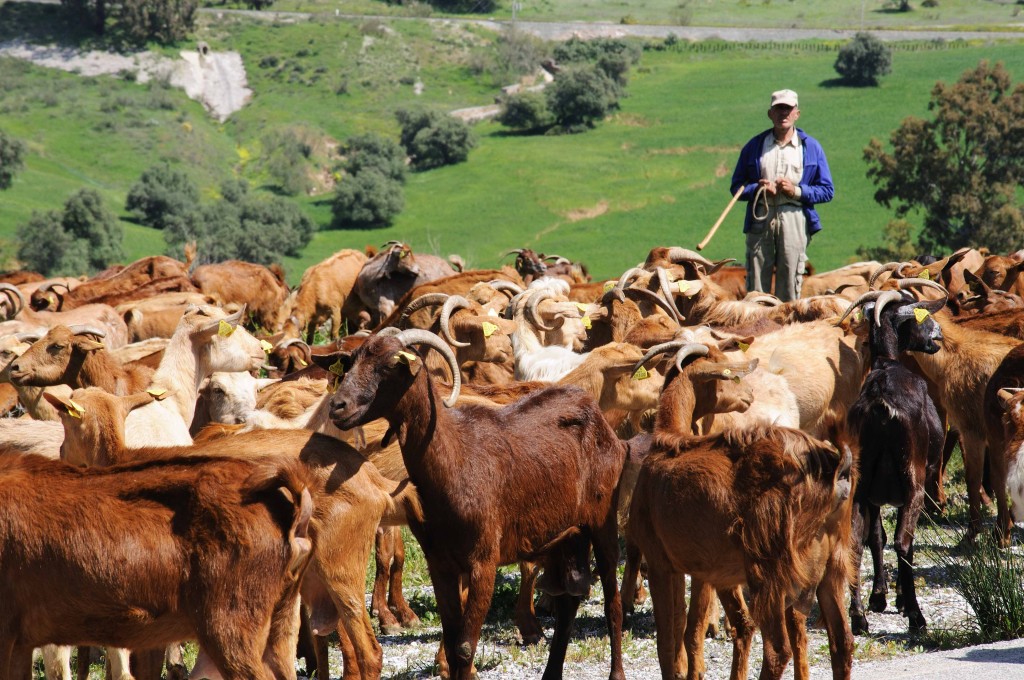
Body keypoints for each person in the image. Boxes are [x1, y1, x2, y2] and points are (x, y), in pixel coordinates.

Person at [730, 88, 834, 302]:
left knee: (789, 280)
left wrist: (795, 191)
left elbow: (827, 190)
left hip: (794, 214)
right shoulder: (754, 146)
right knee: (757, 284)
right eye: (778, 109)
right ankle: (756, 329)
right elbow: (737, 188)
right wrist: (758, 189)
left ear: (797, 113)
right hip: (760, 216)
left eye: (788, 109)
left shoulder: (811, 147)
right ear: (770, 114)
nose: (783, 114)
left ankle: (786, 329)